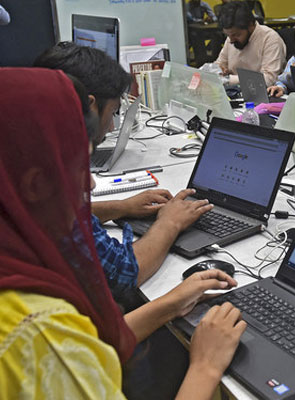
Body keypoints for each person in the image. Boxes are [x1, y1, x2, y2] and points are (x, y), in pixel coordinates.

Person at [0, 67, 247, 399]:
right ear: (35, 184)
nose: (89, 184)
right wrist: (206, 367)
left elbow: (91, 340)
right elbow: (67, 346)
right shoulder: (38, 337)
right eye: (79, 167)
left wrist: (172, 303)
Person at [34, 43, 214, 302]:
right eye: (113, 113)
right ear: (89, 106)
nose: (109, 128)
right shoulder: (44, 172)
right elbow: (122, 273)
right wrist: (170, 222)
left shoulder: (24, 145)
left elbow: (55, 220)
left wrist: (121, 206)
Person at [215, 2, 286, 86]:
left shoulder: (270, 39)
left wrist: (229, 79)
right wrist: (219, 70)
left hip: (261, 94)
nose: (231, 40)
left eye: (236, 35)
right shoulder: (232, 38)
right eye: (228, 35)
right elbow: (219, 64)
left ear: (251, 25)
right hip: (234, 92)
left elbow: (269, 79)